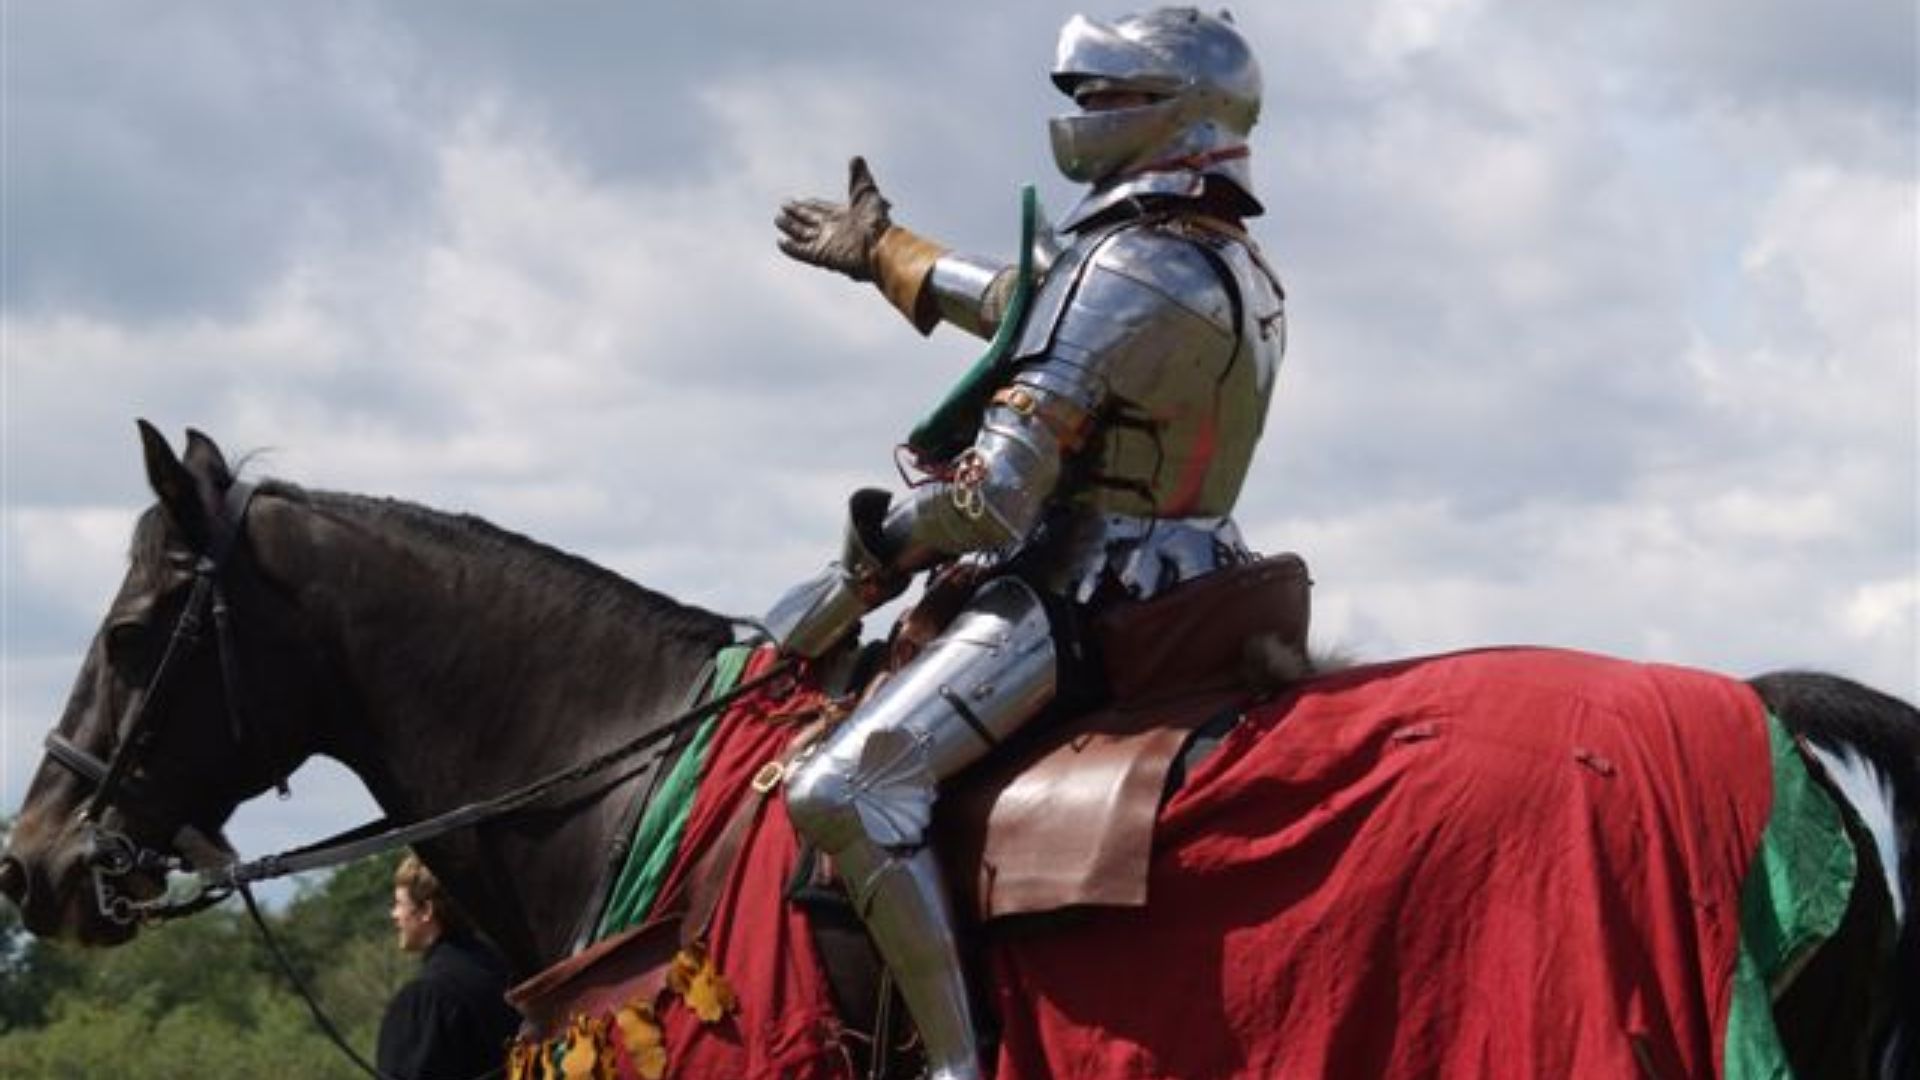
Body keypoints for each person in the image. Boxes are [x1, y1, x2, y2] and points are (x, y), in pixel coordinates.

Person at [764, 8, 1287, 1077]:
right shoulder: (1208, 256)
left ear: (1174, 114)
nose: (1079, 116)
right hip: (1196, 565)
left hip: (1088, 585)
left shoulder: (1132, 267)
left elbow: (993, 501)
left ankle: (958, 1065)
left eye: (1103, 98)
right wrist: (886, 254)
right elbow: (1030, 304)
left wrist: (856, 569)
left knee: (846, 790)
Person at [376, 854, 522, 1080]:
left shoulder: (426, 996)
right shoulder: (505, 965)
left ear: (426, 910)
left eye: (399, 904)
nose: (394, 915)